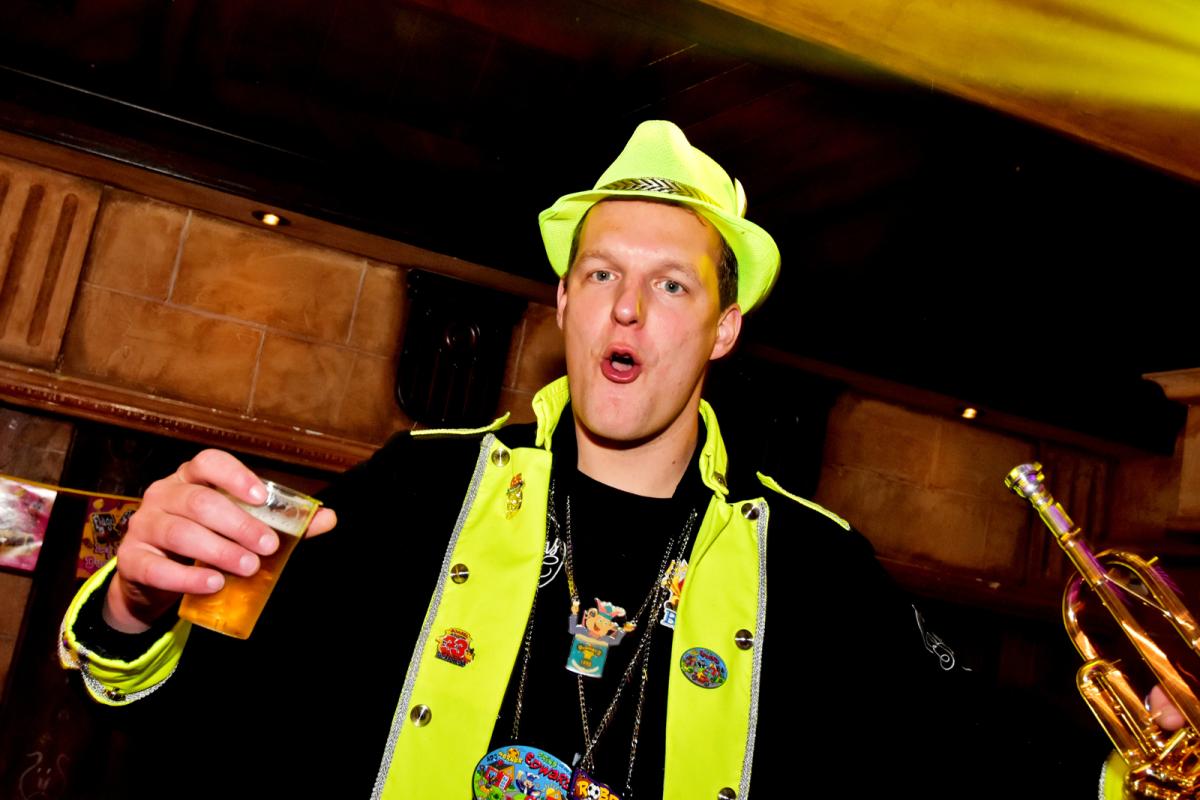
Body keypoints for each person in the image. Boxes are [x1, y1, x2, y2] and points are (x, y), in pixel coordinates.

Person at [59, 121, 1104, 799]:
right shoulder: (418, 485)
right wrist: (134, 604)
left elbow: (974, 755)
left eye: (672, 285)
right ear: (564, 301)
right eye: (601, 272)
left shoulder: (819, 567)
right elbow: (210, 724)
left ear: (725, 328)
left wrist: (1140, 763)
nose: (627, 307)